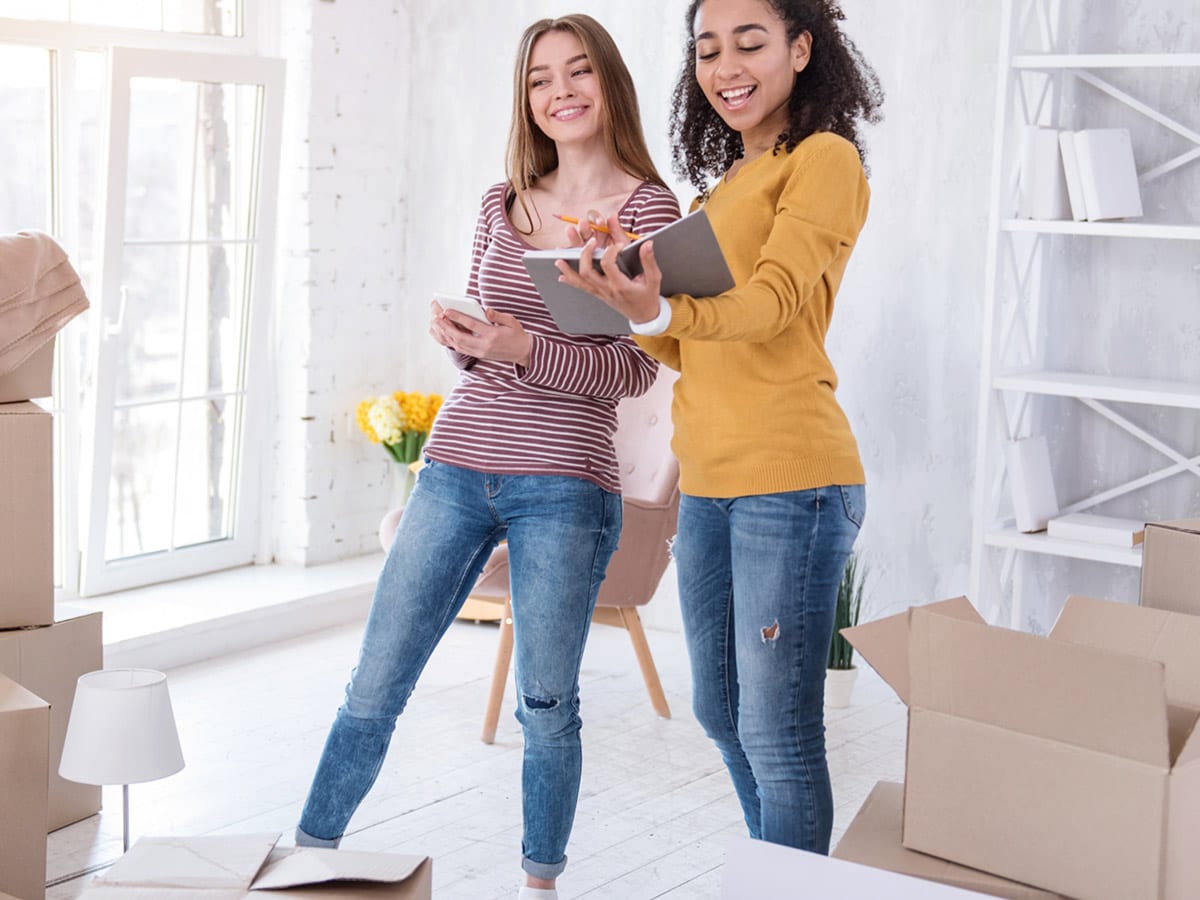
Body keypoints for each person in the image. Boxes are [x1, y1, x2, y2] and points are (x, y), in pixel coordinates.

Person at [294, 14, 680, 900]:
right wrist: (466, 339)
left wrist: (517, 349)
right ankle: (307, 856)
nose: (561, 93)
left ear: (608, 83)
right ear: (527, 97)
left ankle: (538, 885)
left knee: (546, 706)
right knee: (376, 678)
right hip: (459, 463)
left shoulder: (650, 210)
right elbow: (485, 342)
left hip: (566, 486)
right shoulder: (499, 200)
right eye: (542, 79)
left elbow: (635, 369)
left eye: (578, 73)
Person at [556, 0, 882, 855]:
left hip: (792, 479)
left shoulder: (824, 161)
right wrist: (621, 290)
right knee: (721, 710)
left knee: (777, 732)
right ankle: (782, 871)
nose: (725, 66)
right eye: (707, 49)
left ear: (802, 49)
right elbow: (683, 343)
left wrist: (659, 301)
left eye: (750, 42)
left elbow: (772, 307)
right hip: (706, 481)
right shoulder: (724, 186)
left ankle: (788, 880)